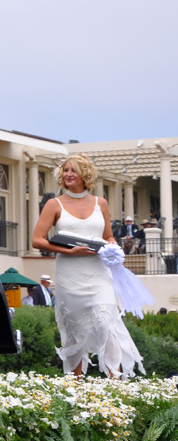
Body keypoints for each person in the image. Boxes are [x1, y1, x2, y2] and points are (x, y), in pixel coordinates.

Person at [32, 154, 144, 378]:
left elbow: (109, 236)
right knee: (74, 330)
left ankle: (115, 382)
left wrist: (113, 248)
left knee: (106, 324)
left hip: (99, 274)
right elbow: (37, 240)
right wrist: (69, 251)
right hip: (69, 274)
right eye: (65, 170)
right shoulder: (55, 204)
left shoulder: (100, 203)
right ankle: (77, 385)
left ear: (85, 174)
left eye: (73, 170)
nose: (68, 174)